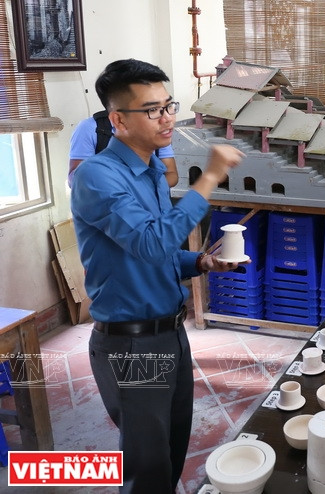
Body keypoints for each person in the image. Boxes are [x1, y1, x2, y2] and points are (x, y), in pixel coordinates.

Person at [70, 59, 246, 493]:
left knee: (171, 447)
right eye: (152, 110)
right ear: (118, 120)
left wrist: (199, 263)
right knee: (146, 467)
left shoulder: (150, 172)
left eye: (169, 106)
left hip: (169, 332)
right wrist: (209, 178)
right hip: (132, 343)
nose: (167, 118)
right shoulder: (96, 176)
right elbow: (150, 242)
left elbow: (157, 253)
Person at [69, 98, 178, 187]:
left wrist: (145, 189)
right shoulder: (90, 128)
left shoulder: (157, 128)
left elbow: (172, 174)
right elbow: (74, 180)